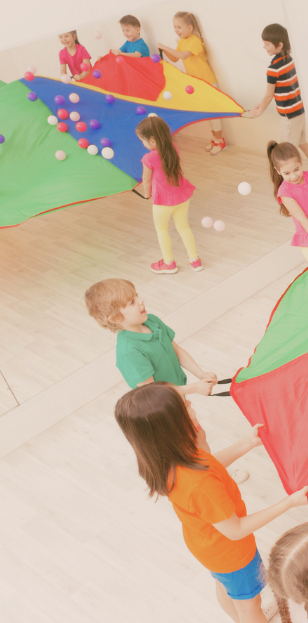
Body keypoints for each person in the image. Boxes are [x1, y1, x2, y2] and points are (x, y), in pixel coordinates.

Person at [114, 383, 308, 623]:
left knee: (226, 587)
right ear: (175, 426)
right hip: (231, 552)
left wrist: (248, 442)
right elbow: (236, 529)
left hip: (208, 547)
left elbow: (211, 465)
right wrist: (287, 504)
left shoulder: (174, 459)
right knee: (249, 604)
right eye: (187, 408)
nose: (193, 407)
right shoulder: (199, 484)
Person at [85, 278, 220, 398]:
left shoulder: (152, 321)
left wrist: (200, 374)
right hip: (162, 404)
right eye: (132, 302)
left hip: (177, 393)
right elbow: (153, 392)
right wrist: (195, 388)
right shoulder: (129, 351)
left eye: (136, 296)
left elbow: (176, 350)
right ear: (115, 318)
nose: (140, 300)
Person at [242, 24, 308, 170]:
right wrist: (260, 104)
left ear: (279, 45)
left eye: (267, 44)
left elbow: (269, 95)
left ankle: (294, 180)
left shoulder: (273, 69)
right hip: (299, 111)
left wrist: (259, 111)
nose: (264, 47)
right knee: (302, 143)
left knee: (287, 154)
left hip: (289, 116)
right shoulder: (289, 60)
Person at [135, 116, 201, 274]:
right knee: (184, 227)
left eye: (142, 140)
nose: (142, 144)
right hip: (181, 195)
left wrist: (146, 194)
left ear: (152, 141)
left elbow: (146, 179)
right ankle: (195, 260)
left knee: (162, 229)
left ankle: (168, 263)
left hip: (163, 201)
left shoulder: (148, 158)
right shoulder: (173, 147)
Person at [158, 12, 226, 154]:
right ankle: (215, 140)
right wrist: (164, 49)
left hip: (207, 82)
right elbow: (175, 58)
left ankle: (220, 142)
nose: (176, 30)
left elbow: (183, 55)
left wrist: (165, 46)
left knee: (213, 114)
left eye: (179, 27)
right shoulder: (182, 41)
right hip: (197, 84)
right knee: (206, 114)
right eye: (174, 27)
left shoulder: (194, 40)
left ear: (189, 28)